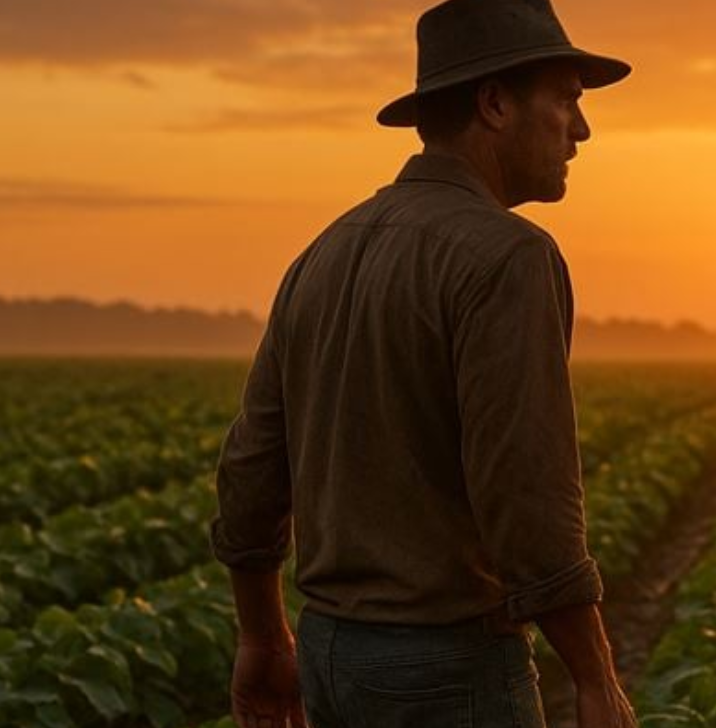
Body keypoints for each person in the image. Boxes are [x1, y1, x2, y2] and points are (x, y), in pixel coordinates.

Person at [208, 0, 635, 726]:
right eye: (567, 100)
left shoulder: (324, 251)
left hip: (327, 655)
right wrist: (596, 679)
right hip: (447, 671)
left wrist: (261, 633)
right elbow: (526, 495)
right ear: (496, 103)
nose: (583, 128)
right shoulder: (509, 255)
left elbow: (250, 469)